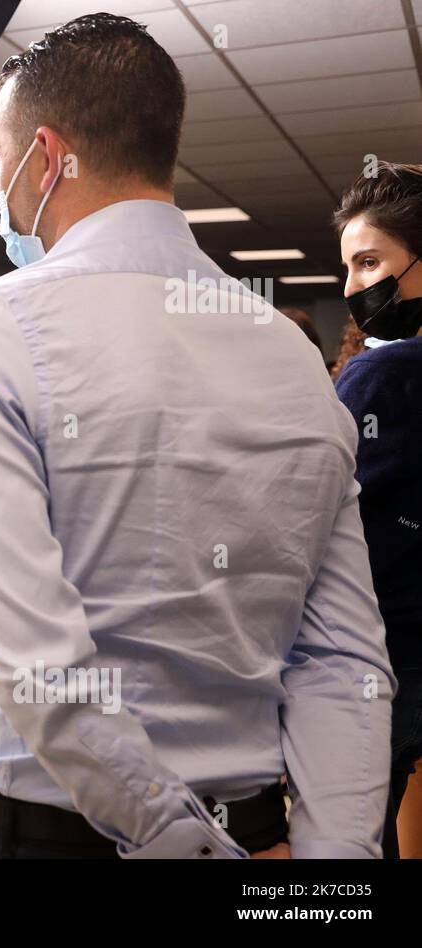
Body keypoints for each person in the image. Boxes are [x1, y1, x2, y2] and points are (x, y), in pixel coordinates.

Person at [0, 13, 393, 859]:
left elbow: (35, 656)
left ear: (45, 153)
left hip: (52, 835)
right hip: (258, 832)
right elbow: (343, 658)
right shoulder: (292, 353)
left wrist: (181, 846)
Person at [332, 161, 422, 859]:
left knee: (351, 839)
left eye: (370, 262)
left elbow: (318, 505)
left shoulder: (381, 371)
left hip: (379, 651)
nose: (355, 286)